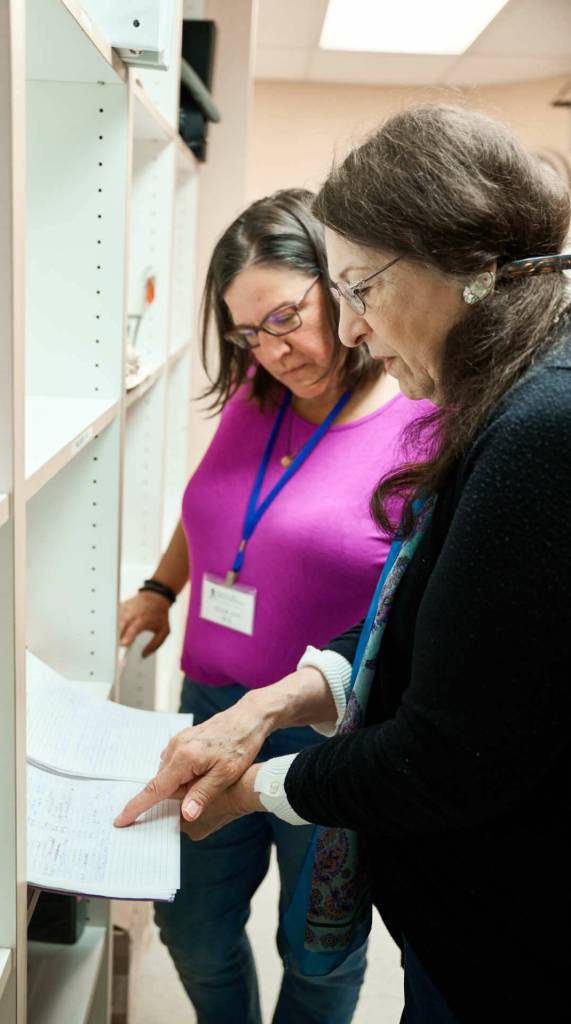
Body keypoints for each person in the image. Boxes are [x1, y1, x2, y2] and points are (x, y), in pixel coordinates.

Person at [116, 107, 571, 1023]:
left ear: (449, 267)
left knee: (315, 957)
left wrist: (260, 781)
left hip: (501, 926)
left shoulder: (531, 429)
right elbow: (424, 608)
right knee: (199, 924)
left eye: (355, 287)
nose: (355, 326)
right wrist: (276, 693)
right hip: (320, 751)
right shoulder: (508, 395)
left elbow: (447, 754)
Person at [118, 188, 434, 1024]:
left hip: (329, 732)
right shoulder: (252, 401)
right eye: (246, 333)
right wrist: (161, 588)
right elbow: (214, 513)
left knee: (318, 951)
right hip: (212, 707)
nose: (271, 351)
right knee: (188, 925)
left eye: (286, 317)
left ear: (339, 287)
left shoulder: (420, 424)